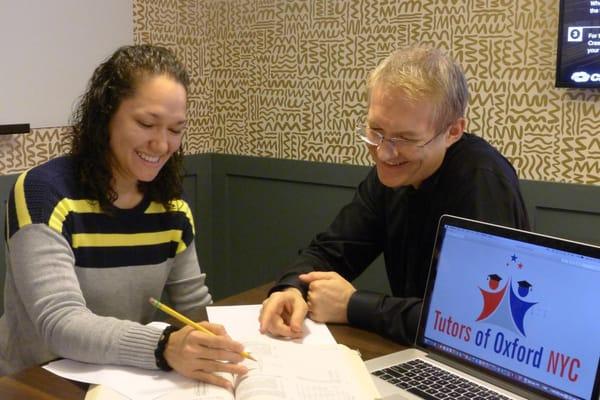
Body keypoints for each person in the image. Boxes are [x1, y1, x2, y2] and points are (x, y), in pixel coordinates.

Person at [0, 45, 247, 389]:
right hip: (35, 383)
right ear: (105, 116)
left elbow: (193, 308)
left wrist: (224, 343)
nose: (161, 145)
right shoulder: (43, 193)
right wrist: (163, 347)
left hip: (120, 381)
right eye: (147, 123)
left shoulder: (171, 206)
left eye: (176, 130)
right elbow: (59, 322)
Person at [259, 46, 530, 344]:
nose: (384, 153)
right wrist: (290, 288)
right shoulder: (394, 172)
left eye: (405, 138)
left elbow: (475, 320)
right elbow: (330, 251)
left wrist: (353, 306)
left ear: (453, 131)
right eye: (375, 131)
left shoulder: (483, 181)